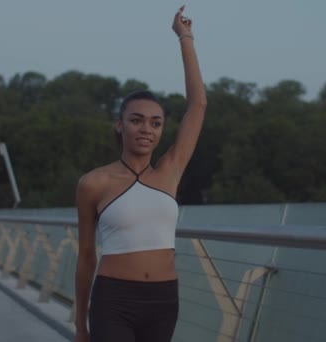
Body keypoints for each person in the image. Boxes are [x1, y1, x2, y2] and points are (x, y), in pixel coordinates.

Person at [74, 5, 206, 342]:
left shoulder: (170, 171)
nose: (146, 129)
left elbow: (198, 105)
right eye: (136, 120)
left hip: (164, 300)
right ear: (120, 126)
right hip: (112, 300)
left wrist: (185, 37)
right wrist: (80, 325)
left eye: (155, 122)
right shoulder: (93, 183)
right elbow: (87, 257)